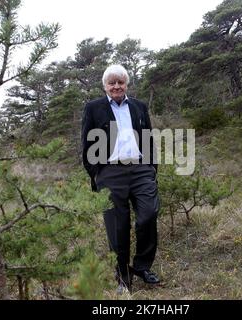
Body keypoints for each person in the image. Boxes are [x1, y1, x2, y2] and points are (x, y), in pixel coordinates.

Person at [81, 64, 160, 293]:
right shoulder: (93, 108)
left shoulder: (138, 106)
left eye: (120, 82)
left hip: (140, 170)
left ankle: (142, 266)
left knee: (148, 214)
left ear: (126, 84)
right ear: (105, 86)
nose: (116, 86)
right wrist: (96, 173)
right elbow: (86, 143)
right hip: (110, 173)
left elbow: (148, 138)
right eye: (112, 83)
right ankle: (123, 278)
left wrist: (151, 167)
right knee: (118, 227)